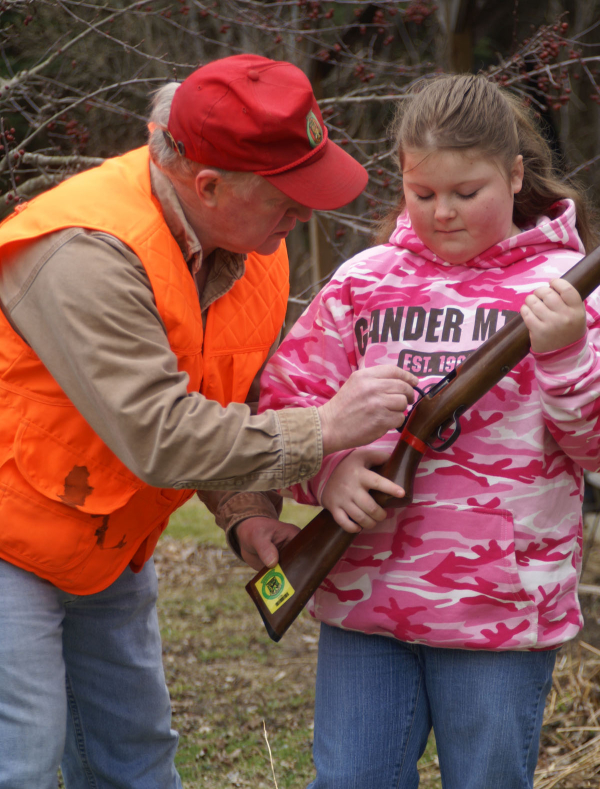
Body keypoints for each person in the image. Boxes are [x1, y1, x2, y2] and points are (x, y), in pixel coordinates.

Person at [0, 54, 418, 789]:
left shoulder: (251, 243)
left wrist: (243, 513)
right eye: (288, 198)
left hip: (108, 538)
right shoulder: (88, 252)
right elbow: (161, 431)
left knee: (135, 756)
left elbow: (219, 391)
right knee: (21, 756)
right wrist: (324, 428)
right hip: (9, 537)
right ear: (209, 185)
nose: (305, 215)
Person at [259, 73, 600, 789]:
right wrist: (330, 473)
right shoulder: (362, 280)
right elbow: (281, 409)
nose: (441, 213)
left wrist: (567, 353)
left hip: (501, 612)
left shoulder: (569, 290)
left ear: (513, 175)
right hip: (364, 602)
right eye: (423, 193)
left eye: (465, 193)